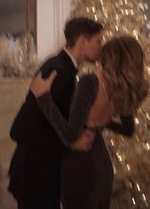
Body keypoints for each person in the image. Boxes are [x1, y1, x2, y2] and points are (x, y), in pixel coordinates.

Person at [30, 36, 148, 209]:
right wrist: (96, 123)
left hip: (79, 167)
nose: (99, 61)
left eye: (104, 56)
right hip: (102, 166)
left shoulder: (90, 82)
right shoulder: (122, 90)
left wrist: (43, 97)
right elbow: (128, 129)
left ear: (111, 60)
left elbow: (71, 136)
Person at [8, 17, 103, 209]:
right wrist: (72, 143)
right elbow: (20, 130)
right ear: (83, 42)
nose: (101, 47)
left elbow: (54, 120)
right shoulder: (57, 70)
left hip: (41, 171)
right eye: (98, 42)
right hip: (35, 174)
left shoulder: (64, 68)